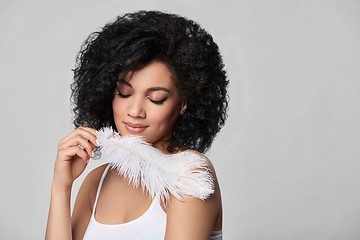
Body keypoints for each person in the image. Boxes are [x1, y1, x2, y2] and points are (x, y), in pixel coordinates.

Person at [45, 10, 228, 240]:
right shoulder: (97, 181)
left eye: (156, 98)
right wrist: (61, 188)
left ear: (183, 102)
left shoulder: (190, 175)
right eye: (124, 93)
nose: (135, 111)